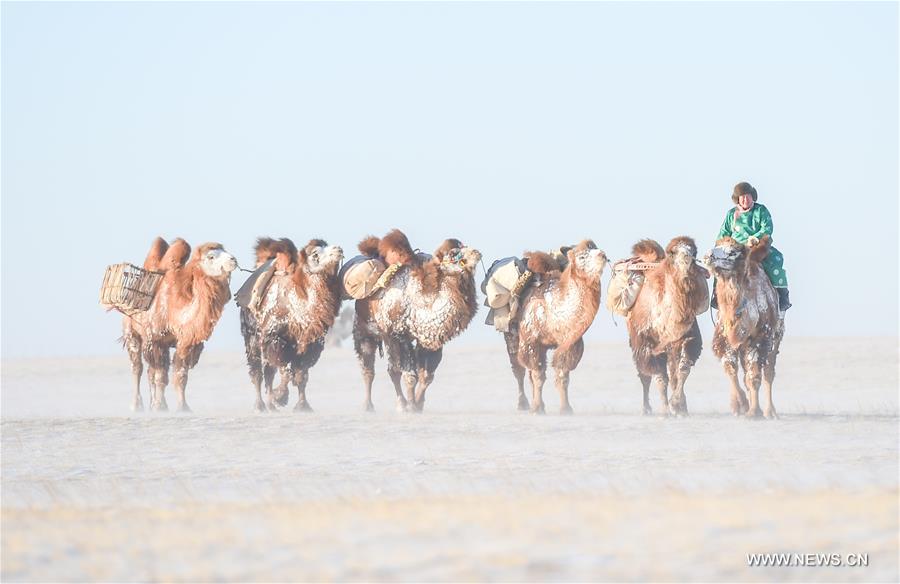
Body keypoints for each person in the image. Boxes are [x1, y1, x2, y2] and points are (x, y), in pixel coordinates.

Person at [712, 181, 791, 311]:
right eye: (742, 197)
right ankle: (717, 295)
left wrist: (756, 238)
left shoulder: (761, 210)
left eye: (747, 196)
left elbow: (767, 228)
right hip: (734, 248)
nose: (745, 199)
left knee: (775, 260)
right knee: (717, 263)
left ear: (752, 196)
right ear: (737, 199)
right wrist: (720, 245)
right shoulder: (731, 214)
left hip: (756, 246)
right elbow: (724, 232)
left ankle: (782, 296)